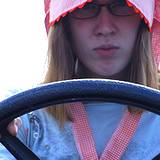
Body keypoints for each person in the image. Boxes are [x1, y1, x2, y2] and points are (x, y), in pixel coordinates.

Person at [1, 0, 160, 159]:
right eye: (86, 7)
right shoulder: (24, 118)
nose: (105, 28)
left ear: (143, 20)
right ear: (65, 23)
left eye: (121, 4)